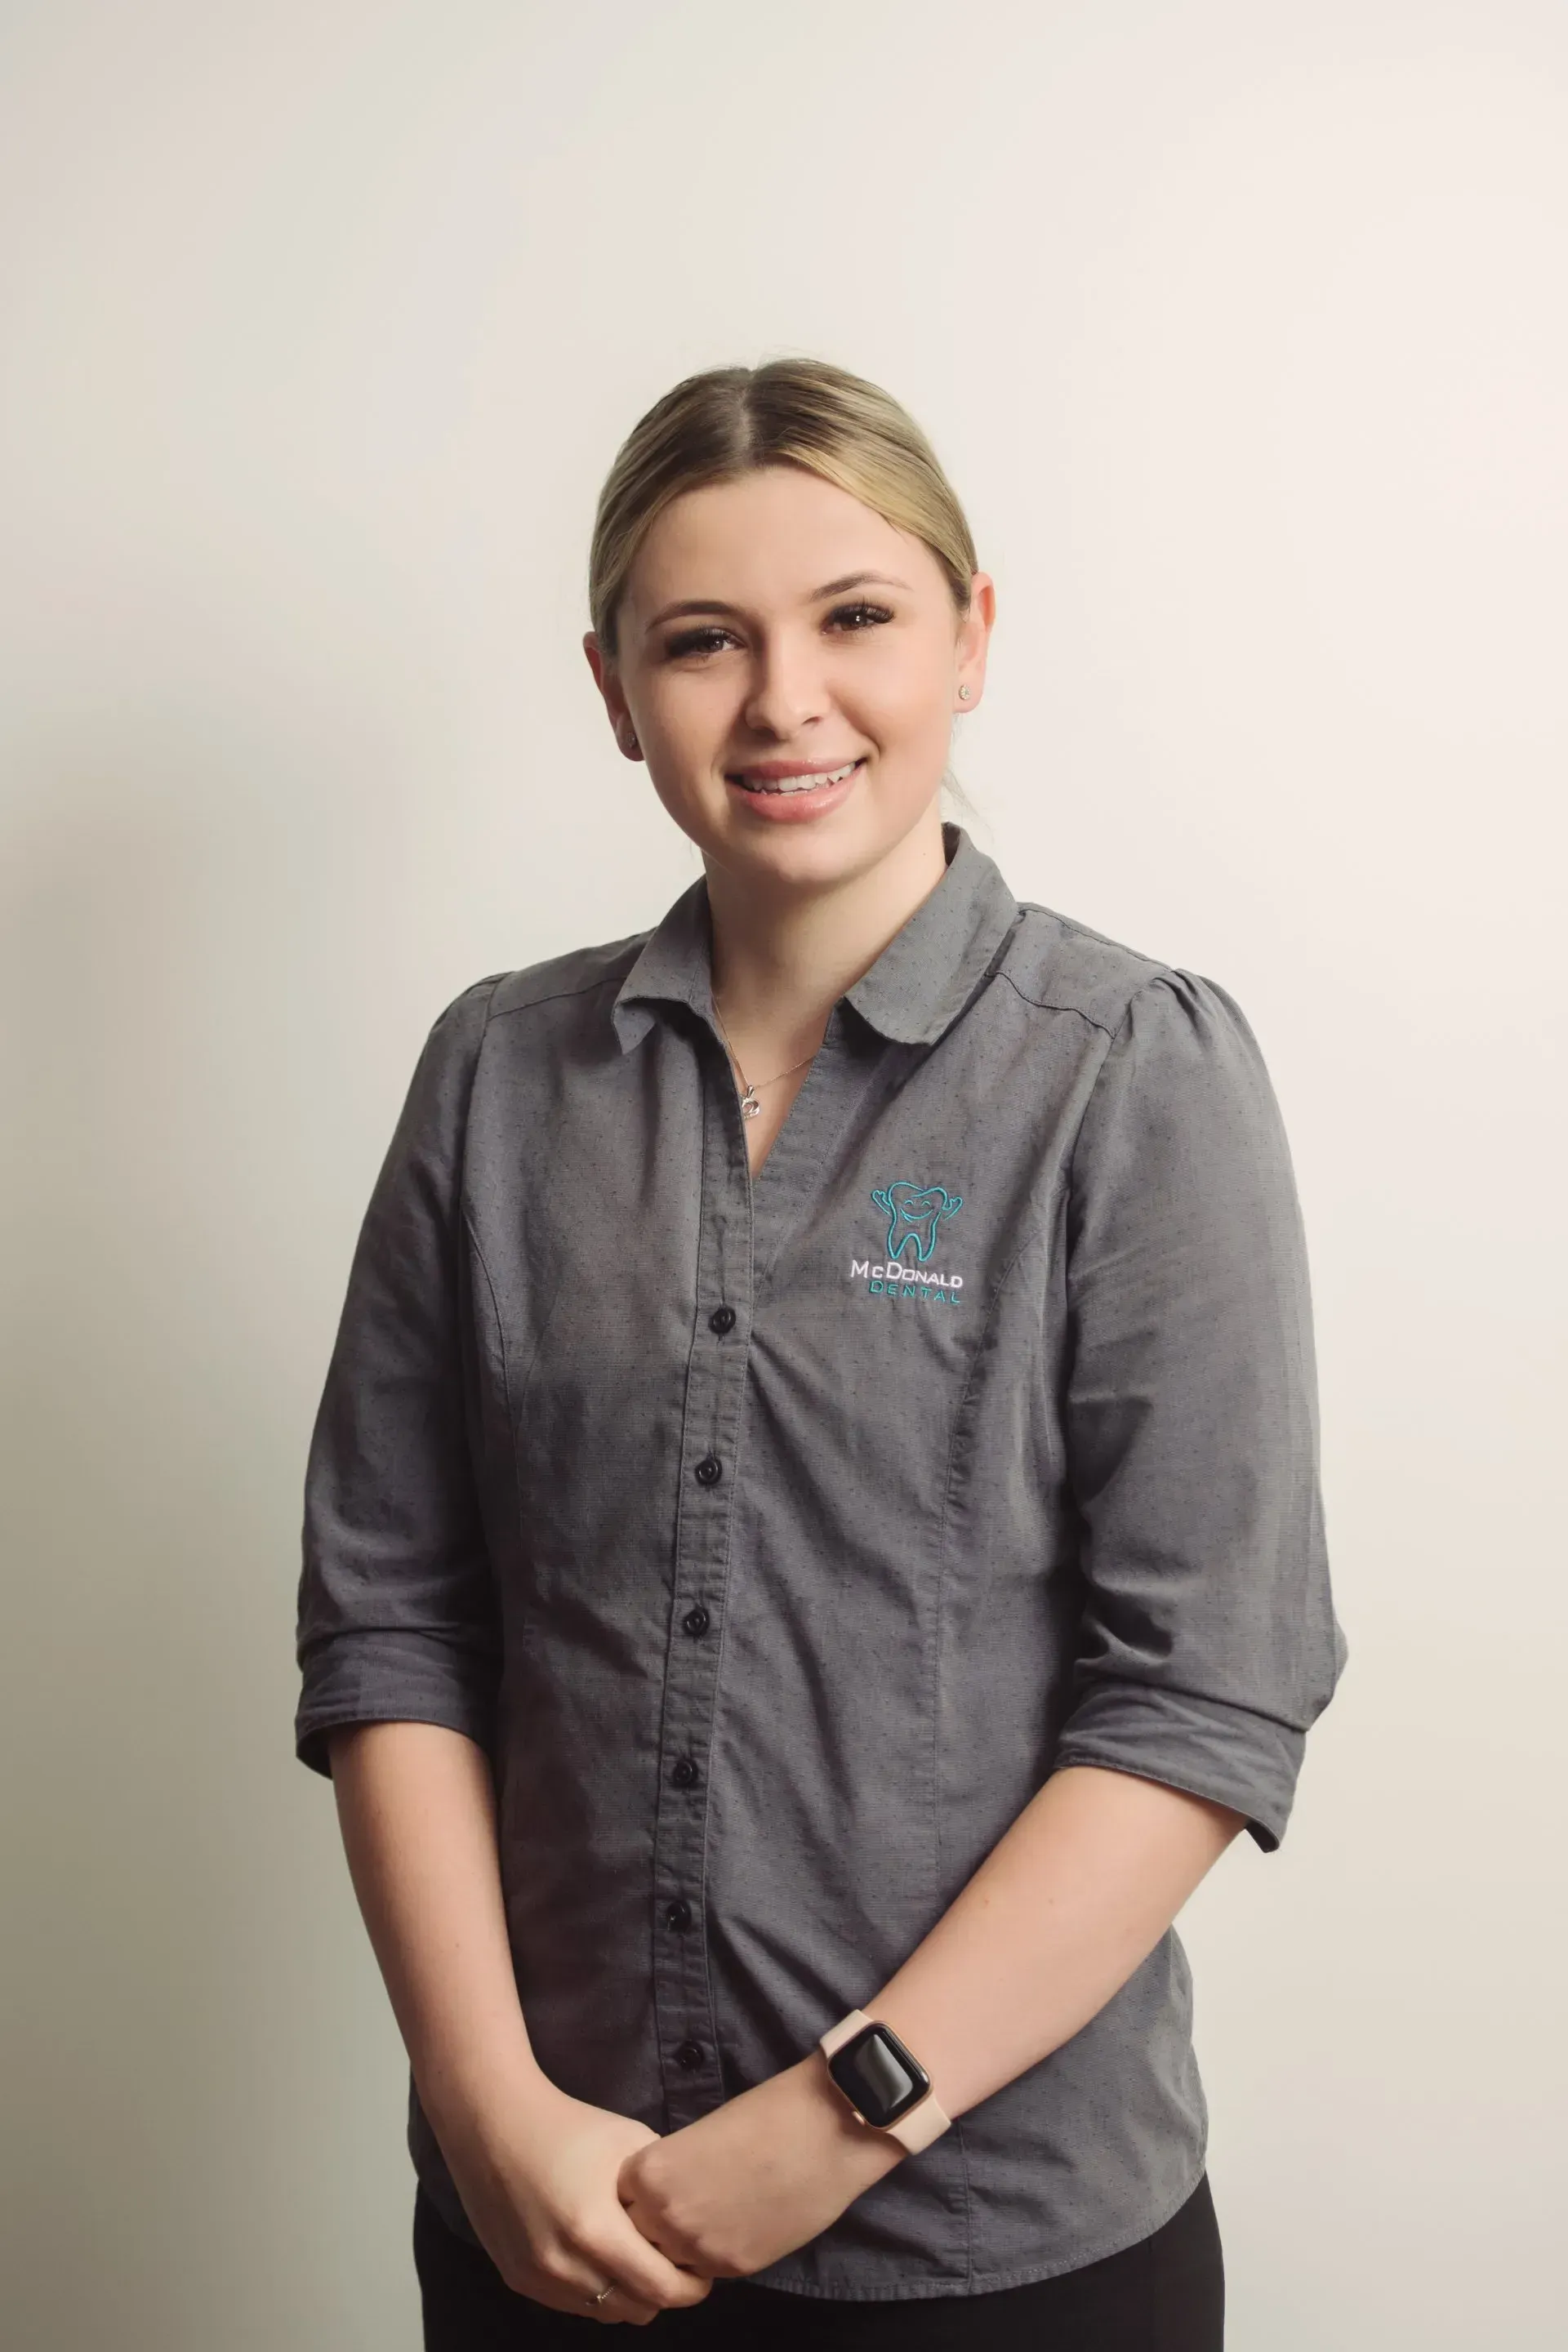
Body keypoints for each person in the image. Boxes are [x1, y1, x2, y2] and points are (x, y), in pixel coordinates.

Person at [293, 356, 1348, 2347]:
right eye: (704, 641)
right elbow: (393, 1625)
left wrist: (845, 2115)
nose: (785, 700)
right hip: (553, 2230)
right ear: (614, 690)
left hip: (1007, 2252)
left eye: (856, 617)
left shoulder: (1133, 1080)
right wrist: (492, 2108)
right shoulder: (497, 1081)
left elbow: (1207, 1688)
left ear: (970, 639)